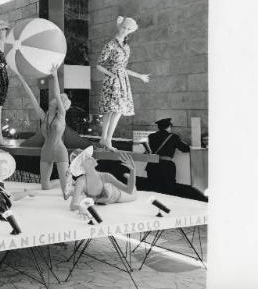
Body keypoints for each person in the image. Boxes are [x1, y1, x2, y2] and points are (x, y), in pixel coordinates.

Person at [13, 64, 70, 195]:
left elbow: (56, 93)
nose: (55, 99)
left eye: (59, 99)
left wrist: (55, 76)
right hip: (46, 152)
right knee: (45, 187)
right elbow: (31, 97)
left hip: (60, 152)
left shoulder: (61, 115)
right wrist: (22, 80)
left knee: (65, 190)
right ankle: (64, 181)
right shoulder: (43, 116)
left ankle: (67, 182)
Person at [96, 17, 150, 151]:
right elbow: (99, 65)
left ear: (130, 31)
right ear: (119, 27)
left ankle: (106, 139)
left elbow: (123, 68)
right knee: (112, 110)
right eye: (124, 27)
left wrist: (139, 76)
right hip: (113, 80)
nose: (125, 30)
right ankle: (106, 139)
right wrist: (111, 75)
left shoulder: (126, 47)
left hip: (122, 80)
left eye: (128, 29)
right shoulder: (111, 44)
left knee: (116, 110)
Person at [68, 147, 137, 215]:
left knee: (134, 192)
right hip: (104, 197)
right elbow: (73, 205)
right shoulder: (81, 181)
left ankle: (130, 180)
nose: (92, 158)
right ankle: (128, 180)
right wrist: (81, 207)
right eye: (87, 158)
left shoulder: (106, 176)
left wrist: (133, 171)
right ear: (81, 166)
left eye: (90, 156)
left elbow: (129, 191)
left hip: (116, 195)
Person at [145, 118, 191, 194]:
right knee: (168, 189)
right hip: (166, 167)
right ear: (169, 127)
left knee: (153, 188)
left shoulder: (151, 136)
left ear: (159, 127)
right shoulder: (173, 137)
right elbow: (185, 149)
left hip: (152, 165)